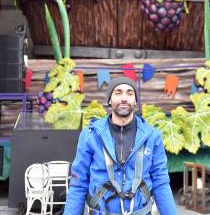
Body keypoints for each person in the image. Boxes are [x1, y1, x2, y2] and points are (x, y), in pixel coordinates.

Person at [63, 77, 177, 215]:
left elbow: (161, 183)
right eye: (118, 92)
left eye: (130, 93)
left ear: (135, 101)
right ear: (109, 100)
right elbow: (78, 184)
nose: (124, 98)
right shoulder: (90, 135)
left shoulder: (152, 136)